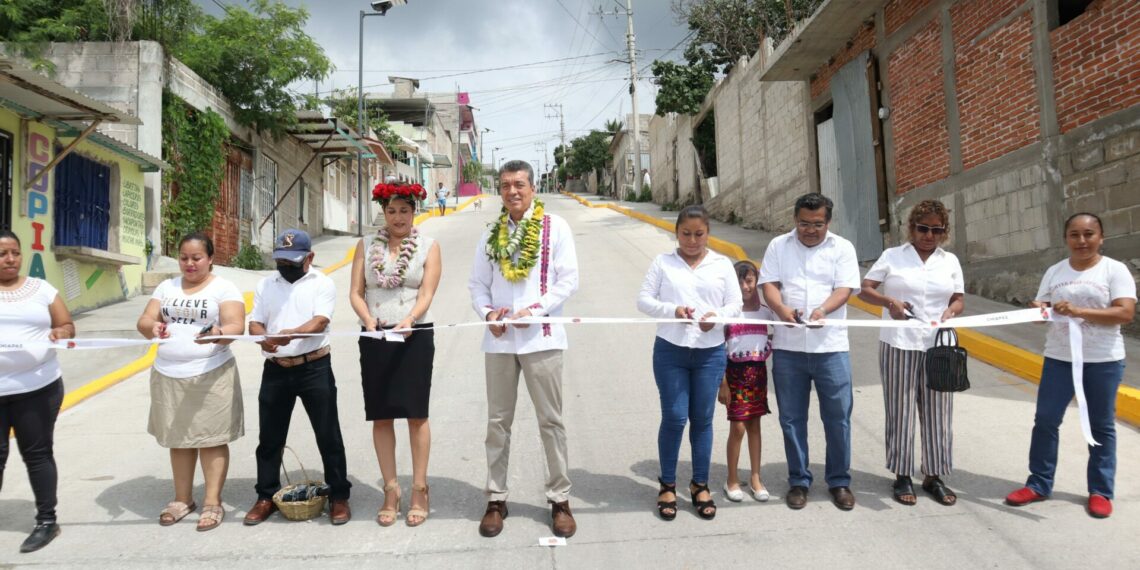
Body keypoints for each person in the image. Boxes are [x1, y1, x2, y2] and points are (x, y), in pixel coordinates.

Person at [467, 160, 579, 538]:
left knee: (551, 421)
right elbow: (477, 286)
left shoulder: (555, 228)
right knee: (498, 423)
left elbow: (568, 281)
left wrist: (534, 311)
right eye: (505, 185)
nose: (512, 191)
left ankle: (560, 498)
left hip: (542, 337)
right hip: (499, 342)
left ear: (532, 188)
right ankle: (496, 498)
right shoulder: (490, 234)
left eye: (519, 184)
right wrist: (488, 313)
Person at [1005, 213, 1136, 519]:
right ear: (1066, 239)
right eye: (1074, 235)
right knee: (1046, 420)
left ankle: (1101, 490)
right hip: (1059, 359)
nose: (1082, 241)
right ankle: (1038, 483)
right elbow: (1041, 312)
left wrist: (1078, 310)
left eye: (1089, 234)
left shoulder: (1114, 270)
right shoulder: (1055, 271)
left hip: (1103, 361)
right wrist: (1042, 310)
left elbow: (1125, 313)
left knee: (1101, 426)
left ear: (1101, 237)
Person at [637, 205, 743, 521]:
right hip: (671, 351)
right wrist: (673, 310)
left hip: (710, 354)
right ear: (677, 233)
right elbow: (643, 300)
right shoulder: (663, 263)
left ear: (708, 233)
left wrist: (718, 317)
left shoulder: (722, 265)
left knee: (703, 418)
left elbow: (735, 304)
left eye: (699, 234)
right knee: (674, 417)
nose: (692, 240)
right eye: (686, 234)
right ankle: (667, 484)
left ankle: (700, 485)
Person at [857, 200, 965, 507]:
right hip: (898, 342)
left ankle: (933, 475)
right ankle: (902, 474)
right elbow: (865, 288)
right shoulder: (893, 257)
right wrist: (888, 302)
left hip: (939, 345)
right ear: (911, 228)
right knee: (900, 410)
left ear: (944, 232)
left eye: (936, 230)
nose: (929, 235)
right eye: (923, 228)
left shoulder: (950, 261)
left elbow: (958, 299)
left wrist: (951, 311)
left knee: (938, 412)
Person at [136, 232, 246, 531]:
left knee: (211, 439)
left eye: (197, 258)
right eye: (184, 258)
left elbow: (237, 325)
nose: (190, 264)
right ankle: (182, 499)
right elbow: (144, 321)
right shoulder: (166, 286)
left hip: (211, 373)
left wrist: (219, 331)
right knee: (179, 440)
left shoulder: (224, 288)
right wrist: (154, 326)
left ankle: (212, 501)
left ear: (210, 259)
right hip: (168, 374)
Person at [758, 192, 861, 511]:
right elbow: (769, 285)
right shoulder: (779, 246)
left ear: (828, 222)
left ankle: (839, 481)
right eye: (804, 223)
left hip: (830, 347)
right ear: (795, 219)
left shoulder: (842, 248)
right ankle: (799, 481)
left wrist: (823, 311)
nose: (810, 230)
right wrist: (780, 308)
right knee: (791, 418)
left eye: (817, 224)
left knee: (838, 417)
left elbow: (844, 289)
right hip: (789, 348)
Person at [243, 229, 352, 526]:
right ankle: (266, 495)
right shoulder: (267, 284)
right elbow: (255, 322)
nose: (286, 267)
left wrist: (289, 334)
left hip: (313, 367)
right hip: (276, 368)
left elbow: (320, 321)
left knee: (328, 434)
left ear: (310, 258)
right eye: (281, 261)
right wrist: (262, 338)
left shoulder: (322, 283)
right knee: (269, 438)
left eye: (293, 262)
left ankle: (339, 496)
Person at [350, 182, 441, 527]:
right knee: (382, 415)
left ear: (414, 212)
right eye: (391, 211)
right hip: (375, 334)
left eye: (404, 210)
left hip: (413, 334)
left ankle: (419, 488)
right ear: (383, 213)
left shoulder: (429, 247)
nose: (398, 217)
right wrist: (367, 318)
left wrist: (410, 319)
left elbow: (427, 292)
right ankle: (391, 489)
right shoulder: (365, 245)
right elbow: (356, 292)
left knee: (416, 415)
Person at [0, 230, 73, 553]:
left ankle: (46, 521)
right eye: (3, 254)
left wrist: (60, 331)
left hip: (37, 388)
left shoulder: (41, 289)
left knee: (37, 453)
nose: (10, 259)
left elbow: (67, 325)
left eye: (15, 252)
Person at [718, 260, 773, 503]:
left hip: (758, 374)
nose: (744, 286)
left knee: (754, 426)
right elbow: (719, 347)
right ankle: (731, 479)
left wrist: (761, 356)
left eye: (749, 280)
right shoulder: (729, 313)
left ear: (757, 281)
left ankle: (755, 477)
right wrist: (723, 383)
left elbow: (773, 337)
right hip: (734, 375)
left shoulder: (765, 311)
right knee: (737, 427)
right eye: (739, 281)